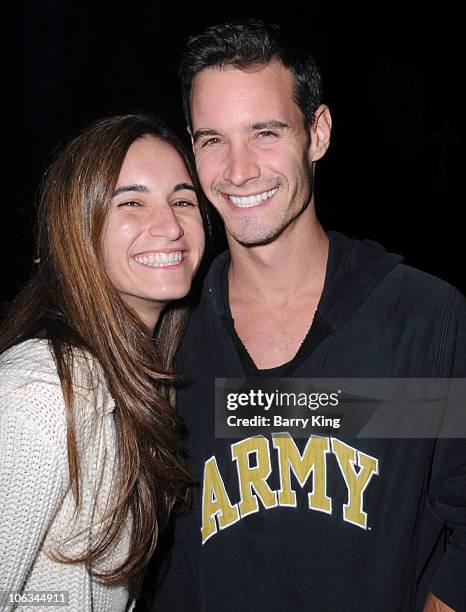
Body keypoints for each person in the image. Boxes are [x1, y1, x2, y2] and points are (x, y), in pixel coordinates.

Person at [147, 20, 466, 612]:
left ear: (317, 133)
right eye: (212, 139)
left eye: (265, 133)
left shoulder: (422, 319)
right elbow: (173, 553)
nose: (238, 171)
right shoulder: (171, 337)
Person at [0, 114, 206, 611]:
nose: (170, 225)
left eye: (183, 200)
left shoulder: (138, 381)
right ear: (78, 225)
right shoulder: (40, 394)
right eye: (132, 202)